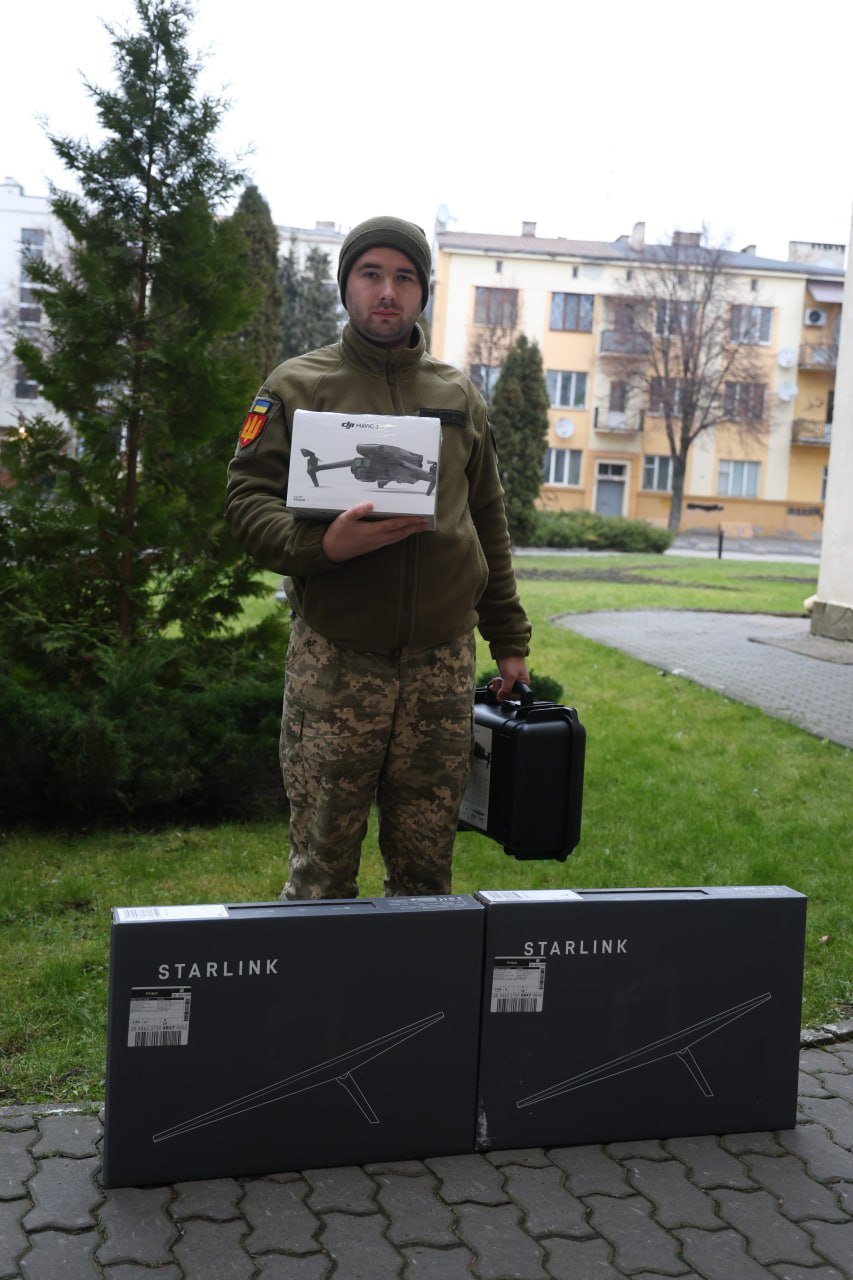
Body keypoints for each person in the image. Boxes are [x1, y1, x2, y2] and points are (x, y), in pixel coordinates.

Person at [225, 215, 531, 900]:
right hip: (337, 661)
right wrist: (320, 546)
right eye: (371, 274)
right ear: (347, 286)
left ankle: (417, 973)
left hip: (441, 664)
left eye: (404, 277)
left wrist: (508, 640)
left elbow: (487, 519)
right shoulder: (296, 387)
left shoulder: (457, 396)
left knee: (425, 872)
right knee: (321, 869)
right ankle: (315, 975)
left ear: (422, 292)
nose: (387, 291)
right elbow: (245, 501)